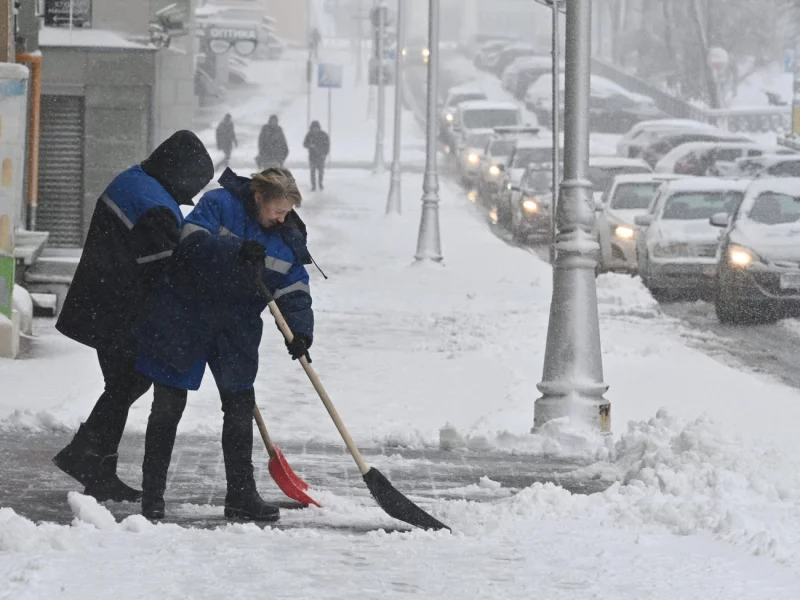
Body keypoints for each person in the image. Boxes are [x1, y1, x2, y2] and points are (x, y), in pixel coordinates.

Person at [133, 167, 314, 521]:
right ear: (259, 196)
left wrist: (301, 331)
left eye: (287, 212)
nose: (282, 218)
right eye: (277, 210)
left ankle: (241, 496)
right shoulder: (219, 204)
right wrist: (235, 251)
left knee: (239, 405)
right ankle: (152, 496)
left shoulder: (287, 235)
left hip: (236, 327)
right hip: (186, 315)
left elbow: (294, 288)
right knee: (169, 404)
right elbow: (190, 244)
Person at [53, 131, 214, 502]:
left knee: (124, 384)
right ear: (179, 173)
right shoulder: (154, 206)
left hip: (100, 302)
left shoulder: (135, 180)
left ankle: (92, 461)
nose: (188, 198)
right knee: (127, 383)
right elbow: (164, 273)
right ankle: (88, 459)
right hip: (114, 311)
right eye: (190, 187)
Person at [303, 121, 330, 191]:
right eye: (313, 128)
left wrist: (325, 154)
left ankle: (320, 183)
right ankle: (313, 186)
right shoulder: (309, 135)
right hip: (312, 157)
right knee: (312, 172)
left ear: (319, 128)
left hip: (321, 157)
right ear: (311, 128)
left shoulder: (324, 135)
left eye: (316, 128)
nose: (315, 129)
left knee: (321, 172)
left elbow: (327, 145)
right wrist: (309, 145)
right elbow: (304, 144)